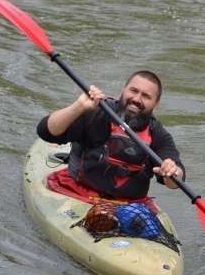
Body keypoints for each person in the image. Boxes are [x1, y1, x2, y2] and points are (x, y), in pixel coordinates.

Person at [36, 71, 185, 202]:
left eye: (146, 96)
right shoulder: (95, 112)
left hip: (128, 206)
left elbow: (176, 180)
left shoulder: (158, 135)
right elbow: (46, 132)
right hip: (77, 192)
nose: (137, 99)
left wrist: (173, 172)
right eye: (133, 90)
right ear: (123, 90)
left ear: (156, 105)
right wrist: (79, 107)